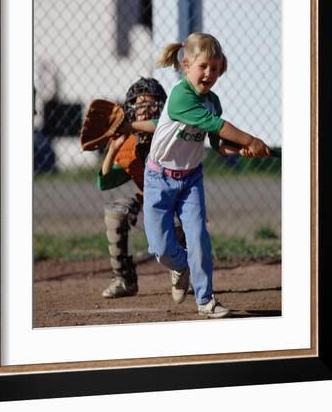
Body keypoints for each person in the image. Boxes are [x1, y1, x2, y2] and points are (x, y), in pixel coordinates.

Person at [143, 32, 271, 318]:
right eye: (203, 67)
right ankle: (180, 266)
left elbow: (219, 143)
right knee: (160, 247)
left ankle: (205, 300)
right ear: (186, 65)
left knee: (198, 235)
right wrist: (250, 139)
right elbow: (217, 124)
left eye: (214, 68)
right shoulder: (180, 96)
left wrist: (240, 150)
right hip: (158, 178)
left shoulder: (213, 100)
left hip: (190, 179)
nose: (209, 73)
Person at [97, 77, 186, 299]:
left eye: (151, 104)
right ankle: (124, 279)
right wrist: (113, 148)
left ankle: (182, 271)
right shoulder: (128, 142)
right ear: (130, 110)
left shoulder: (170, 134)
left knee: (177, 221)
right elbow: (104, 182)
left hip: (175, 198)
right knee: (115, 213)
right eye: (139, 104)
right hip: (148, 197)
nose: (145, 110)